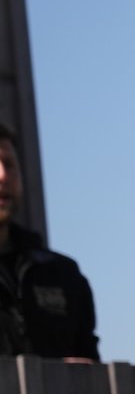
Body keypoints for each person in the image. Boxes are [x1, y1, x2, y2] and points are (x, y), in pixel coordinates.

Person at [0, 123, 99, 360]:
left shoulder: (62, 274)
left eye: (10, 165)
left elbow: (90, 361)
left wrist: (79, 376)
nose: (3, 176)